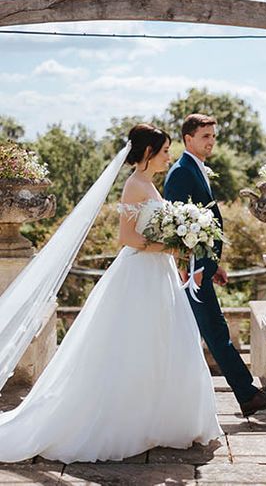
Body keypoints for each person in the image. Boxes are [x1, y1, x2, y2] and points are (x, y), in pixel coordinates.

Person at [0, 124, 221, 463]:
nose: (168, 157)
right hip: (138, 274)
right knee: (132, 346)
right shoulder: (135, 186)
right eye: (163, 151)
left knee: (165, 342)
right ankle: (126, 421)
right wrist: (171, 247)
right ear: (148, 153)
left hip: (157, 272)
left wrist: (176, 248)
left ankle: (160, 419)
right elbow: (127, 238)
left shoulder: (148, 184)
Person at [164, 113, 266, 416]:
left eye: (213, 136)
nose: (211, 142)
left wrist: (213, 262)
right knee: (215, 333)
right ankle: (246, 395)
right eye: (205, 136)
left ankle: (244, 395)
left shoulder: (196, 168)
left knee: (210, 331)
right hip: (192, 271)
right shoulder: (181, 172)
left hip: (202, 266)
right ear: (187, 138)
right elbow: (176, 226)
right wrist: (191, 266)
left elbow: (201, 223)